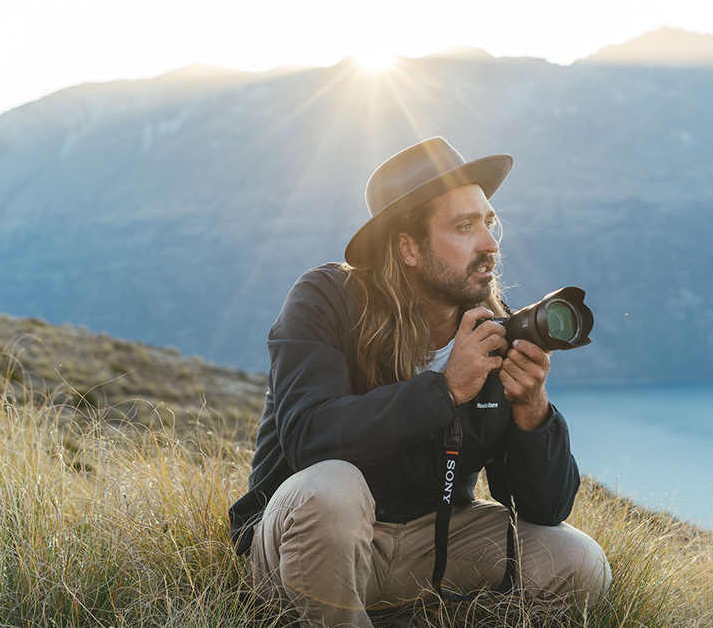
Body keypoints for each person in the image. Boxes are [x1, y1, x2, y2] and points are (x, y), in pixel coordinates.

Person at [229, 137, 611, 627]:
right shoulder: (325, 300)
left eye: (489, 223)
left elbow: (545, 508)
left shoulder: (491, 329)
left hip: (434, 543)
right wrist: (445, 390)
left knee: (578, 561)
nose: (491, 243)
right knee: (331, 488)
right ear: (408, 247)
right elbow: (309, 438)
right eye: (464, 226)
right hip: (310, 545)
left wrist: (531, 412)